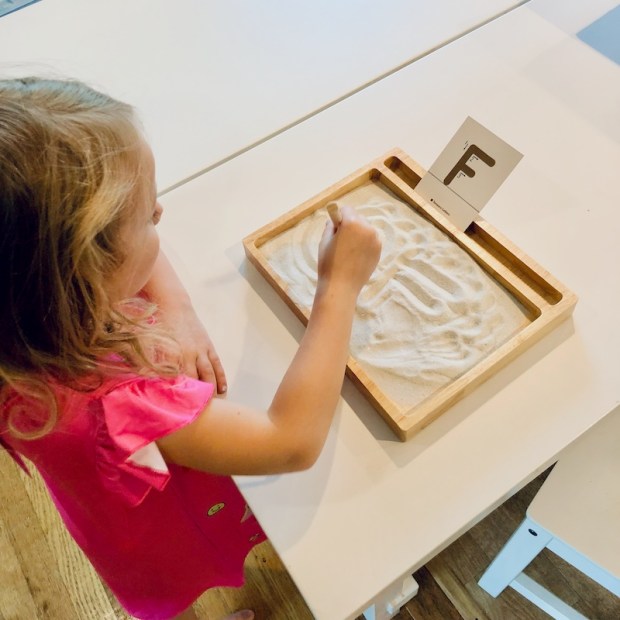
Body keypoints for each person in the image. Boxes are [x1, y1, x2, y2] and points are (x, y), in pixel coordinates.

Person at [0, 77, 381, 620]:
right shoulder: (121, 405)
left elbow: (108, 248)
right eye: (147, 216)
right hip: (158, 532)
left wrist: (176, 307)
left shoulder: (23, 315)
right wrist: (338, 286)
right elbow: (290, 442)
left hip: (101, 514)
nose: (160, 217)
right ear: (85, 270)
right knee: (180, 582)